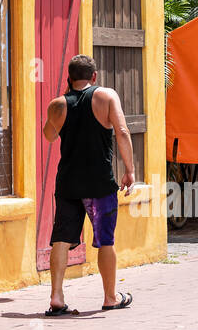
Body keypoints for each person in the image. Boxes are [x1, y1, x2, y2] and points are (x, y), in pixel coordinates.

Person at [41, 53, 135, 316]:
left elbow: (48, 135)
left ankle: (56, 297)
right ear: (94, 76)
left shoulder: (58, 104)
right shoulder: (107, 97)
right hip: (99, 184)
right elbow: (123, 131)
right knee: (106, 241)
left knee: (60, 240)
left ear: (69, 78)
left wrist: (64, 101)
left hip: (68, 183)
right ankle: (109, 297)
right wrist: (130, 170)